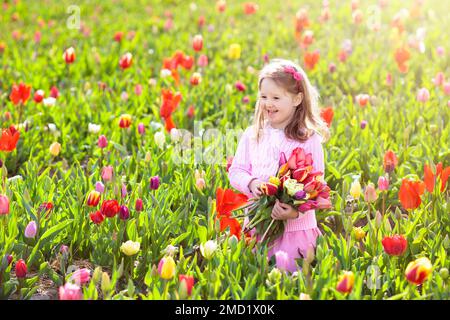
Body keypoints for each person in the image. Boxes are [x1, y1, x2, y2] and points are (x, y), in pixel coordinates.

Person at [228, 58, 330, 272]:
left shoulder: (309, 140)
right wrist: (252, 183)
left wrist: (294, 212)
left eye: (276, 97)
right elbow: (236, 171)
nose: (268, 103)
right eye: (263, 97)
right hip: (258, 228)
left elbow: (317, 187)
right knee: (257, 278)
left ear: (297, 99)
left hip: (295, 232)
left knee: (290, 282)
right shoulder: (253, 135)